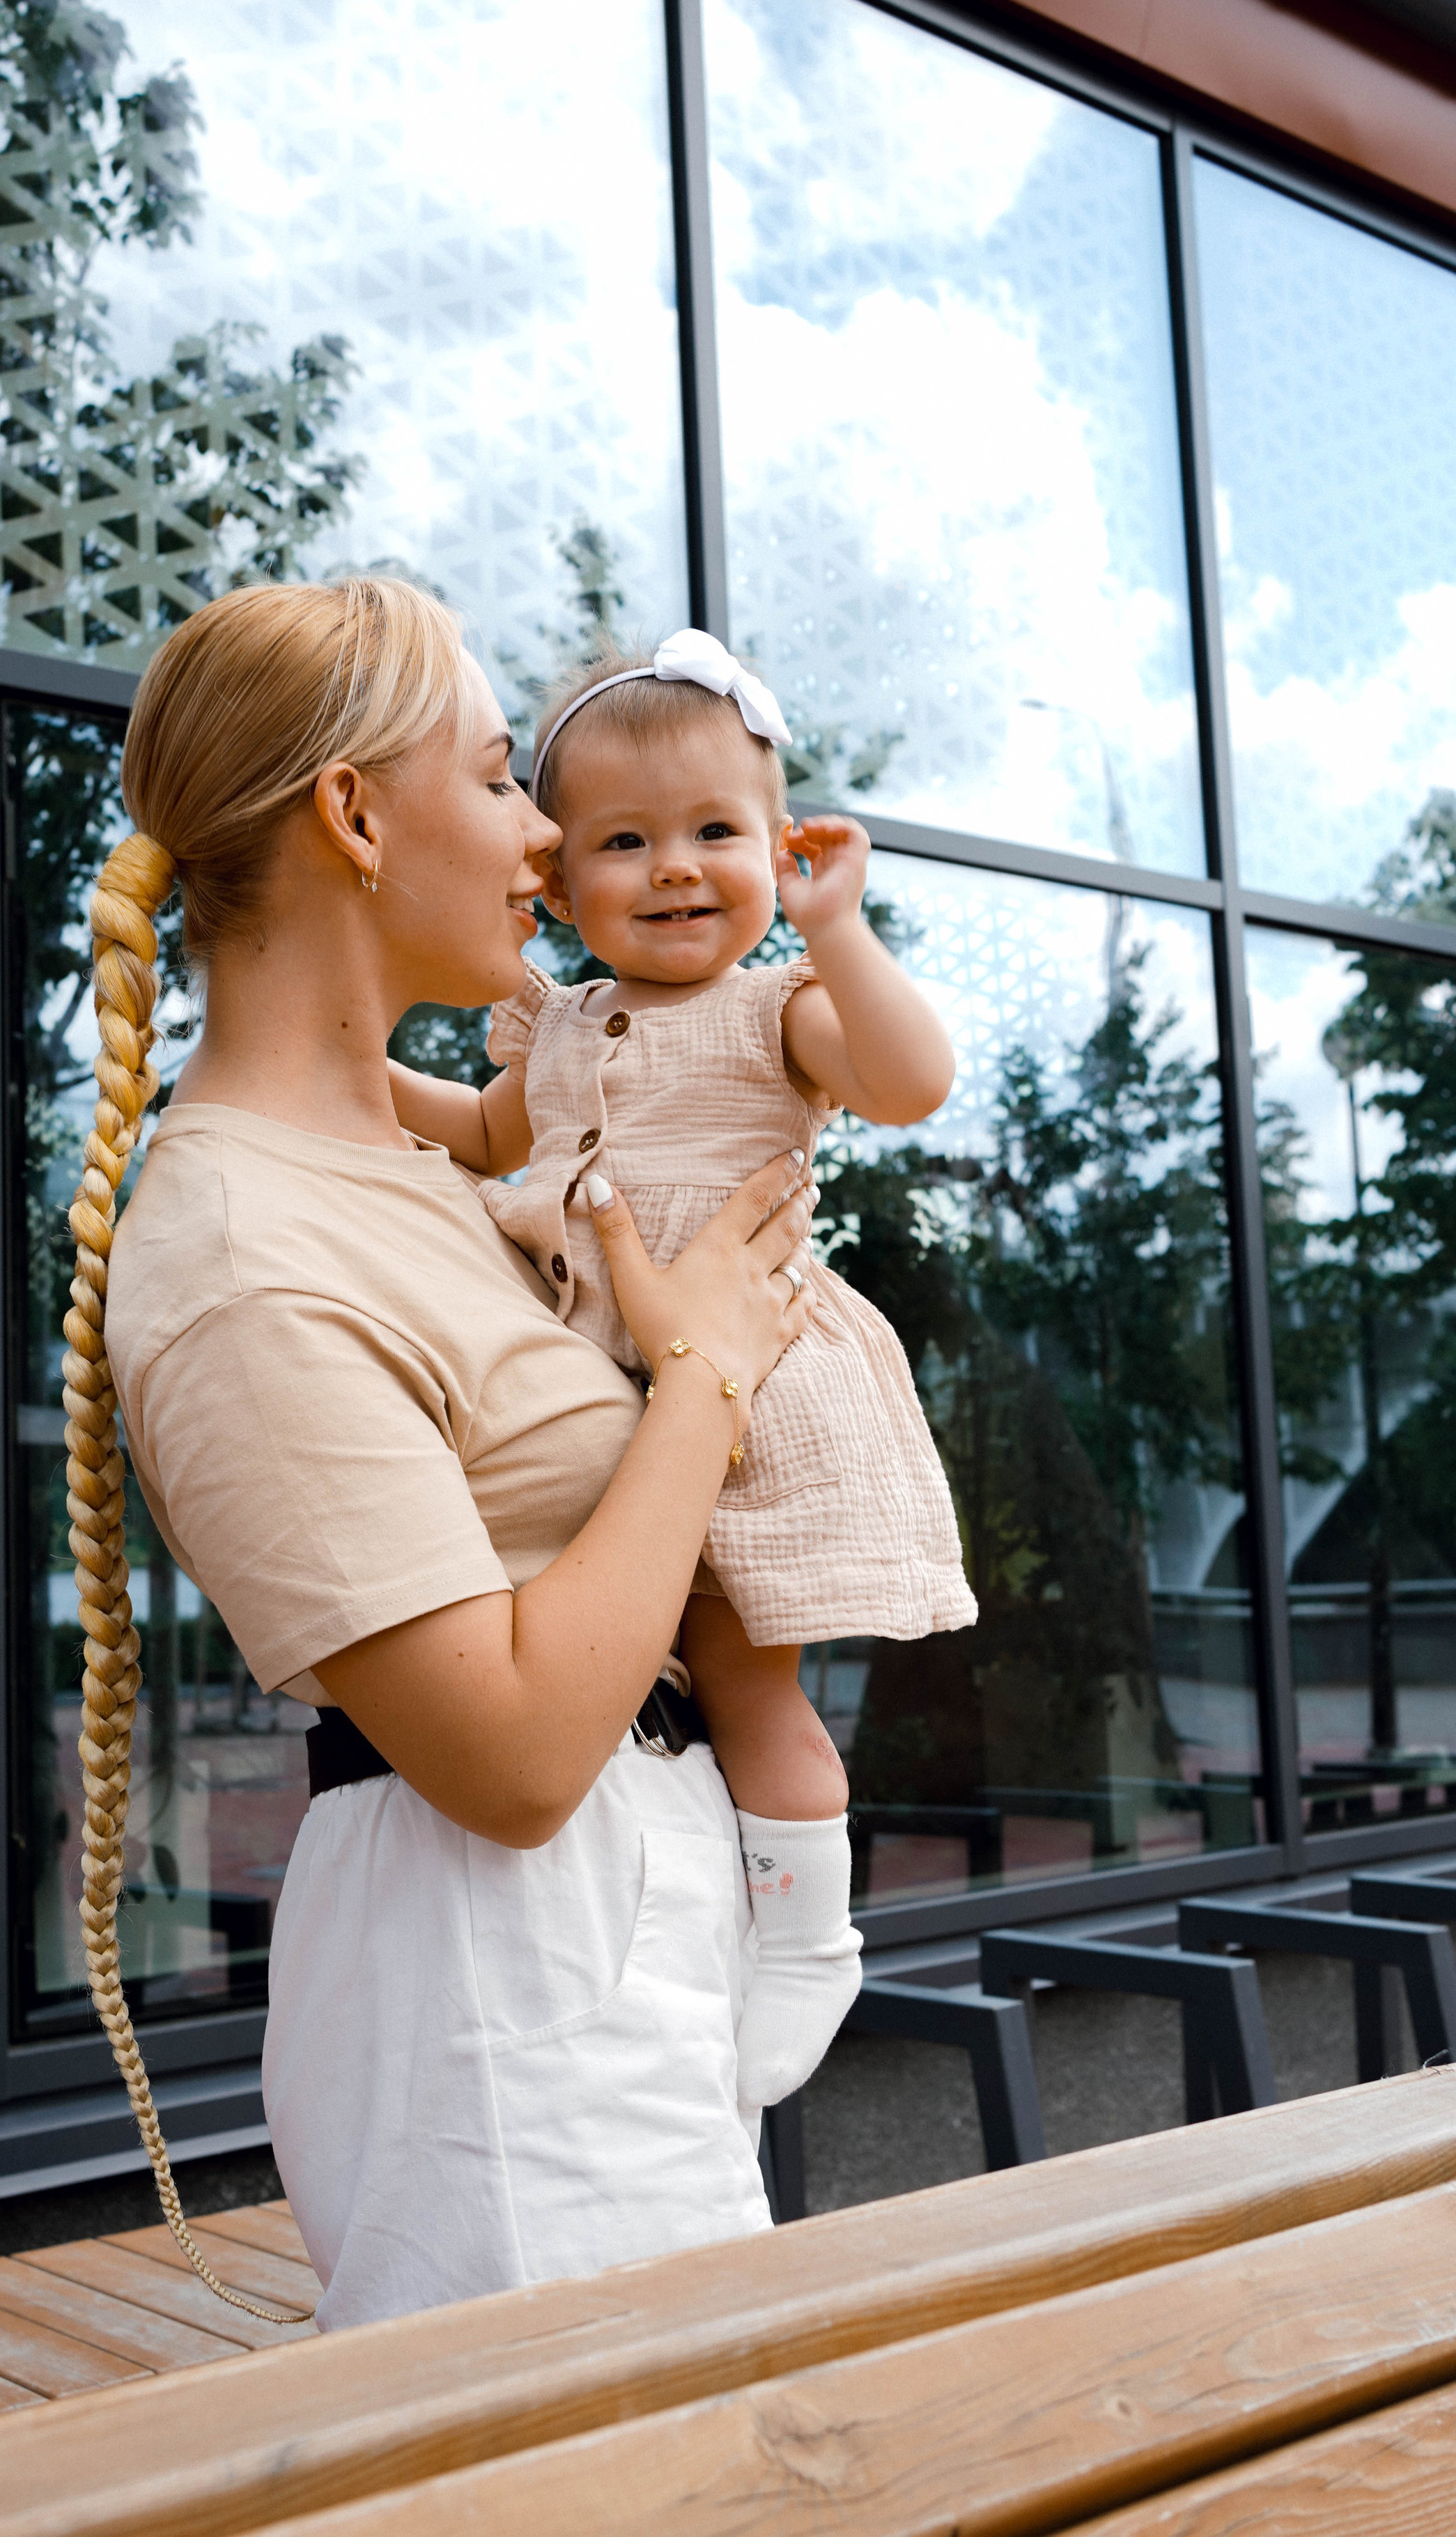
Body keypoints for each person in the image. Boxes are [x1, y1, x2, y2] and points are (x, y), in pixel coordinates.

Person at [64, 576, 817, 2334]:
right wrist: (705, 1368)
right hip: (504, 1990)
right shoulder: (244, 1253)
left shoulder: (399, 1169)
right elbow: (506, 1755)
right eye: (498, 782)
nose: (549, 839)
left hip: (598, 1960)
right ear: (349, 816)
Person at [389, 629, 975, 2115]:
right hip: (590, 1373)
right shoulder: (561, 1019)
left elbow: (905, 1084)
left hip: (741, 1378)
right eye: (624, 841)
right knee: (609, 1669)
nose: (671, 870)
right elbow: (482, 1132)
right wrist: (347, 1072)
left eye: (715, 833)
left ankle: (809, 1935)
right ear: (560, 869)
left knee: (743, 1674)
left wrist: (836, 927)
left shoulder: (774, 1004)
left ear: (775, 849)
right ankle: (684, 1913)